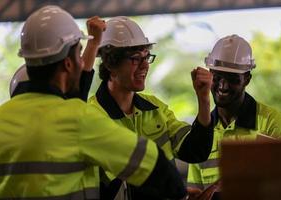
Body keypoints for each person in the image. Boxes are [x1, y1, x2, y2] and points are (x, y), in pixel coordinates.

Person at [0, 6, 187, 199]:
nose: (83, 63)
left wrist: (94, 42)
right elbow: (156, 169)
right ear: (69, 64)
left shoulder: (2, 118)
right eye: (79, 54)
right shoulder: (78, 119)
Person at [88, 16, 214, 199]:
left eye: (146, 57)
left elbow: (195, 150)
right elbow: (111, 188)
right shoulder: (93, 117)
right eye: (135, 59)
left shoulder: (155, 108)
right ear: (110, 64)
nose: (145, 65)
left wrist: (204, 100)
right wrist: (177, 194)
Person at [187, 34, 281, 200]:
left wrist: (222, 186)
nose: (222, 86)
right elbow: (195, 193)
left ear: (247, 79)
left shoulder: (272, 121)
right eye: (217, 77)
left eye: (233, 79)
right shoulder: (201, 131)